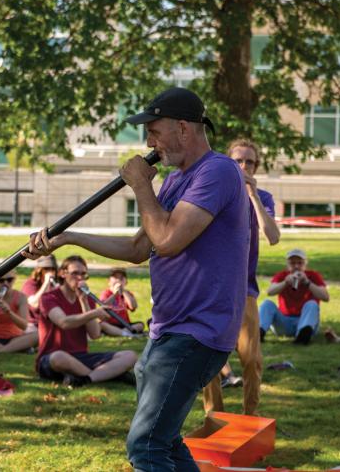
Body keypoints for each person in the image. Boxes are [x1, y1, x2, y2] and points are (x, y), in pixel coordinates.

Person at [23, 86, 249, 470]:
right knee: (165, 441)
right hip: (168, 331)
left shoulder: (218, 172)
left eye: (154, 131)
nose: (149, 142)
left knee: (145, 447)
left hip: (197, 332)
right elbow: (138, 249)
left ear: (183, 128)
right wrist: (68, 238)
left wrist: (141, 185)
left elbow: (169, 240)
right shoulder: (179, 179)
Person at [202, 138, 280, 416]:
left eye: (250, 161)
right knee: (207, 358)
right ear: (228, 163)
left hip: (244, 289)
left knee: (251, 358)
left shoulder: (264, 198)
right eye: (238, 160)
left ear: (256, 167)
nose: (244, 166)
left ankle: (251, 415)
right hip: (211, 289)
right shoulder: (214, 194)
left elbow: (272, 236)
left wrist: (254, 197)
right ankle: (214, 415)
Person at [34, 255, 137, 387]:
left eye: (83, 274)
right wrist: (94, 313)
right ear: (62, 273)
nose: (80, 278)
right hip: (51, 358)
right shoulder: (49, 297)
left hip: (81, 357)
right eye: (75, 273)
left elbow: (95, 334)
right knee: (58, 357)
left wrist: (84, 302)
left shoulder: (87, 299)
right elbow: (63, 322)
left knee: (130, 356)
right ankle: (112, 375)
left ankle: (87, 378)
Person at [260, 248, 329, 345]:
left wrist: (307, 283)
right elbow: (270, 292)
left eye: (300, 263)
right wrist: (285, 283)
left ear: (305, 264)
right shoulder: (282, 275)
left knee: (312, 304)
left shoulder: (313, 276)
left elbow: (325, 297)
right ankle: (259, 332)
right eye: (292, 263)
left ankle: (303, 336)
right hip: (285, 321)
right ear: (287, 264)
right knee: (267, 304)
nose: (296, 266)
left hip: (305, 320)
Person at [0, 271, 37, 353]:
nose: (5, 283)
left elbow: (24, 326)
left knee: (37, 335)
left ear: (14, 279)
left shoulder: (21, 297)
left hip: (15, 338)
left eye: (9, 280)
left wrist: (9, 312)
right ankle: (13, 349)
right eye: (1, 280)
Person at [98, 267, 144, 337]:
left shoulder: (127, 293)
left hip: (125, 324)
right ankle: (125, 333)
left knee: (140, 325)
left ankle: (123, 332)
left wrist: (124, 291)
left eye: (121, 278)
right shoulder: (106, 293)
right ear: (109, 281)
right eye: (115, 278)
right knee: (102, 325)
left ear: (126, 281)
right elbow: (103, 305)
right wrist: (115, 294)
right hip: (110, 323)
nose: (118, 280)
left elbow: (133, 307)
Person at [21, 255, 58, 334]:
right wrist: (46, 283)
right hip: (34, 324)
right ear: (39, 270)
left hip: (52, 322)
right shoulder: (30, 284)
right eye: (46, 269)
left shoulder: (57, 283)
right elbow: (34, 304)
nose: (50, 272)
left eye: (52, 269)